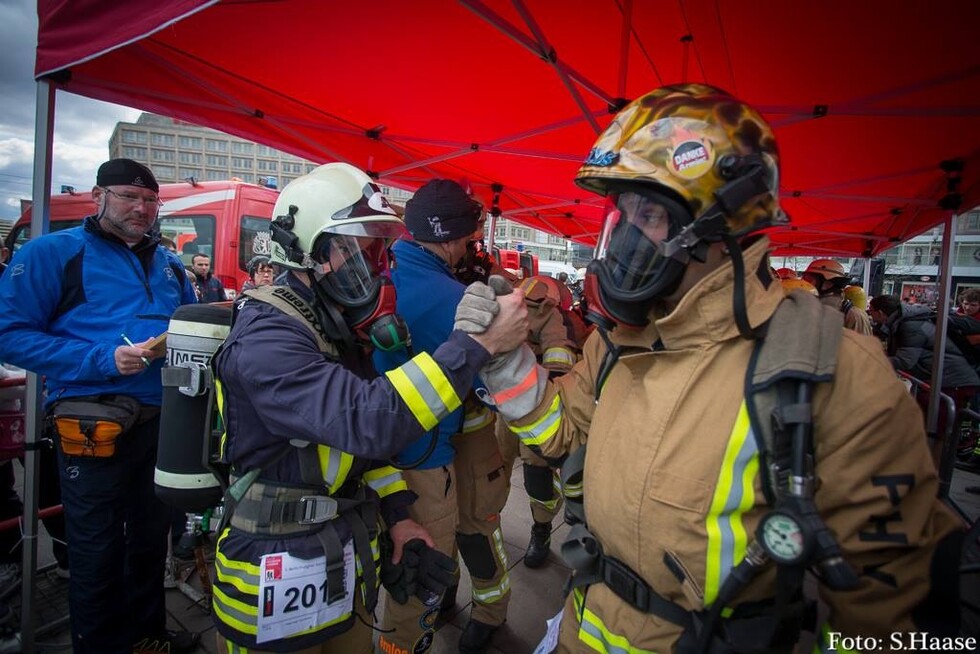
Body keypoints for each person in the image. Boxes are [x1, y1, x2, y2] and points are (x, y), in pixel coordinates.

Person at [461, 84, 971, 652]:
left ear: (720, 225)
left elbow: (885, 618)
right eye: (623, 215)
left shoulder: (834, 374)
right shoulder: (619, 345)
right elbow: (559, 434)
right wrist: (506, 362)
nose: (627, 238)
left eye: (651, 214)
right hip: (583, 629)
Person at [211, 164, 528, 653]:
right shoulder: (268, 338)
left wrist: (399, 515)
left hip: (339, 552)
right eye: (356, 250)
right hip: (271, 569)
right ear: (307, 254)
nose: (377, 269)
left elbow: (360, 456)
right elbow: (365, 421)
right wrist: (475, 345)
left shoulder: (329, 326)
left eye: (380, 251)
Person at [0, 159, 200, 654]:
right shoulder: (52, 253)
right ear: (98, 196)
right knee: (96, 546)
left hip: (164, 422)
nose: (141, 208)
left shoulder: (172, 263)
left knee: (150, 540)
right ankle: (103, 645)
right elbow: (10, 335)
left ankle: (149, 637)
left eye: (150, 200)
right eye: (129, 196)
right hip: (92, 423)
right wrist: (101, 358)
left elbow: (193, 326)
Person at [373, 179, 513, 654]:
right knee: (422, 568)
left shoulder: (379, 275)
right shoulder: (453, 297)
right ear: (453, 239)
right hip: (429, 456)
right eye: (468, 241)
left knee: (395, 559)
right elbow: (497, 384)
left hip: (376, 452)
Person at [801, 259, 875, 336]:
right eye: (805, 279)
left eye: (810, 280)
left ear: (829, 284)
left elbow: (863, 346)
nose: (806, 285)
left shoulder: (854, 316)